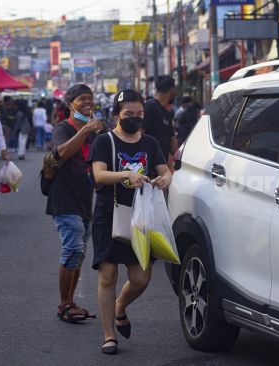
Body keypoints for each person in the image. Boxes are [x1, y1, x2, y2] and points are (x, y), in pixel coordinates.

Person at [89, 89, 172, 355]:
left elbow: (165, 171)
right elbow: (99, 176)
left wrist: (164, 180)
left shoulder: (150, 143)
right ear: (116, 115)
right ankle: (108, 334)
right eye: (129, 114)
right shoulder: (104, 141)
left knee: (141, 278)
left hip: (141, 217)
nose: (135, 119)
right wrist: (126, 173)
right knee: (108, 274)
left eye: (139, 114)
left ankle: (120, 306)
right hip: (109, 214)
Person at [46, 84, 105, 324]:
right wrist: (84, 131)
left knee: (79, 252)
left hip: (84, 198)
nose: (88, 103)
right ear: (70, 103)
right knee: (74, 249)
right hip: (64, 197)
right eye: (82, 99)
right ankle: (64, 304)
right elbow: (61, 153)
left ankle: (70, 301)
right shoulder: (64, 128)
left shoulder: (95, 131)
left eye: (90, 99)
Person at [142, 76, 179, 166]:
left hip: (161, 166)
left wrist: (179, 158)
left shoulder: (167, 113)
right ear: (172, 90)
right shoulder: (150, 106)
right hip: (147, 164)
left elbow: (172, 139)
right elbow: (139, 133)